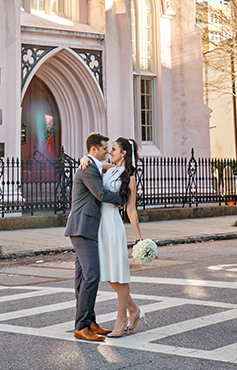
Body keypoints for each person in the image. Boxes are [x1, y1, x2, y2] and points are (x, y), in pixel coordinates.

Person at [80, 137, 145, 337]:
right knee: (106, 273)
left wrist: (139, 238)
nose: (110, 152)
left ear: (123, 153)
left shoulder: (130, 178)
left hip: (113, 227)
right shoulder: (108, 169)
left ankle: (122, 317)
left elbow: (131, 210)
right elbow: (94, 163)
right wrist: (84, 158)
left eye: (114, 149)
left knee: (119, 274)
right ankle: (133, 309)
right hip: (100, 226)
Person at [64, 132, 123, 342]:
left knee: (82, 277)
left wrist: (109, 167)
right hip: (83, 227)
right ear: (94, 149)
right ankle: (81, 326)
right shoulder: (88, 167)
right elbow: (101, 194)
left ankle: (88, 321)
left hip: (84, 227)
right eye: (105, 148)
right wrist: (124, 198)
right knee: (92, 274)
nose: (107, 152)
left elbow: (103, 168)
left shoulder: (91, 164)